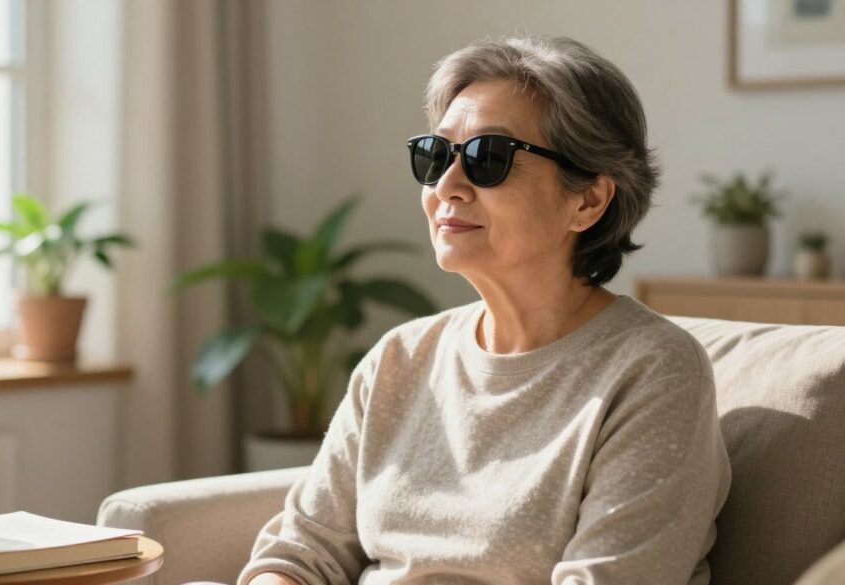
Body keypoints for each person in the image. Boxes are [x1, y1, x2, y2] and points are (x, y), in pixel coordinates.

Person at [239, 35, 731, 585]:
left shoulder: (655, 373)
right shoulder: (400, 358)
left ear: (588, 200)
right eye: (436, 154)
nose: (446, 186)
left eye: (488, 159)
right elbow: (303, 554)